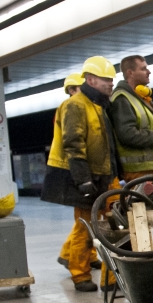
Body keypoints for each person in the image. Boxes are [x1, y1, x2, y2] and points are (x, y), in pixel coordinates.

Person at [41, 57, 119, 292]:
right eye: (107, 80)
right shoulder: (76, 104)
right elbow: (73, 144)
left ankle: (110, 279)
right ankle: (80, 274)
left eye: (111, 80)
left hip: (103, 175)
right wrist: (83, 179)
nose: (111, 84)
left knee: (110, 226)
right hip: (83, 176)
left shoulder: (99, 105)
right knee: (85, 226)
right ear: (92, 80)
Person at [53, 71, 100, 273]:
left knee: (87, 220)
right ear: (72, 90)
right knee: (85, 220)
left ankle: (78, 255)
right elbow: (74, 143)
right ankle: (74, 261)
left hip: (76, 167)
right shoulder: (71, 107)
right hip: (73, 169)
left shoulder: (82, 107)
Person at [109, 55, 153, 183]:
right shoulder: (122, 99)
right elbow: (127, 134)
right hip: (138, 171)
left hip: (149, 169)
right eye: (143, 68)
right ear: (130, 73)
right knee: (142, 203)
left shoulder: (139, 98)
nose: (148, 72)